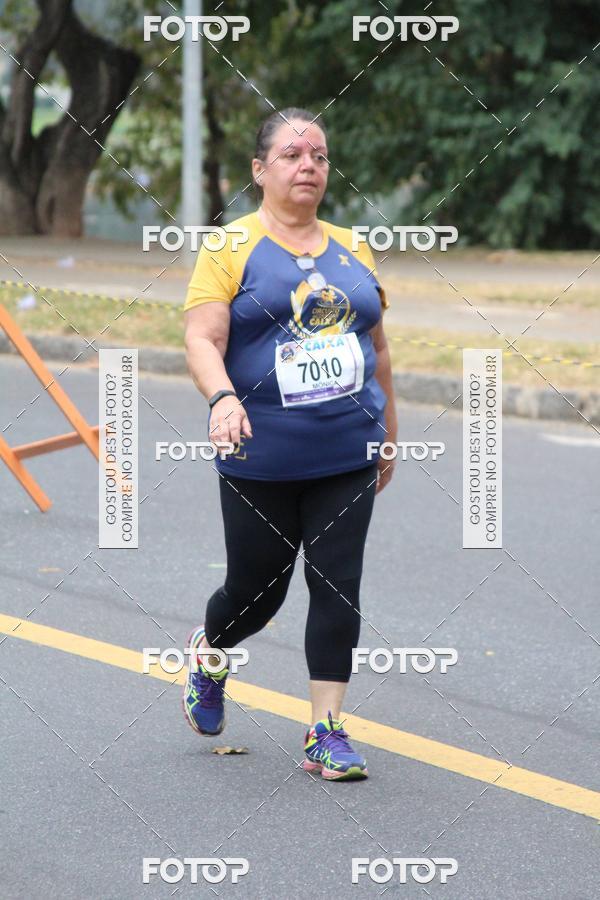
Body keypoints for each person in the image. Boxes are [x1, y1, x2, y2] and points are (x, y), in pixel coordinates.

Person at [181, 107, 398, 781]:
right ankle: (211, 650)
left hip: (345, 448)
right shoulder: (230, 247)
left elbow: (377, 345)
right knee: (258, 592)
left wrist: (390, 433)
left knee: (338, 584)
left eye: (320, 156)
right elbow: (202, 338)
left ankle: (325, 730)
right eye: (292, 155)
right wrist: (221, 398)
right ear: (260, 169)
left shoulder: (352, 246)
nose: (309, 166)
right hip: (259, 453)